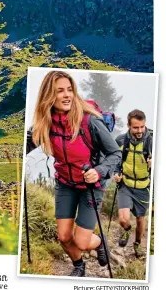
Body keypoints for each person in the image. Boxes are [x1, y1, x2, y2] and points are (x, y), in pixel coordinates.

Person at [26, 70, 121, 277]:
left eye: (70, 90)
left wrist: (99, 171)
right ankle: (79, 265)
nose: (67, 95)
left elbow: (115, 153)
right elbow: (27, 142)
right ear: (49, 95)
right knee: (63, 236)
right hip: (66, 183)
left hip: (90, 186)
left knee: (81, 241)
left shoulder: (90, 122)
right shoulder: (46, 123)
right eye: (60, 91)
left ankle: (100, 241)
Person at [112, 109, 153, 258]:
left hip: (143, 187)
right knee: (123, 219)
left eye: (142, 126)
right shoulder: (121, 140)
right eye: (136, 127)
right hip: (126, 185)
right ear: (129, 126)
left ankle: (136, 245)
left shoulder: (152, 141)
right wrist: (116, 173)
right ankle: (127, 231)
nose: (140, 130)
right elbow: (116, 160)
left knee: (140, 220)